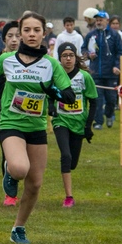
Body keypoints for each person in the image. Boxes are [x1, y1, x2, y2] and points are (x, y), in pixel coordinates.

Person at [0, 12, 75, 244]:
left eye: (36, 30)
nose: (31, 34)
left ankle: (18, 228)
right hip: (10, 121)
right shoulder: (7, 59)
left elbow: (69, 96)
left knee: (34, 184)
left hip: (36, 126)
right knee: (20, 168)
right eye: (27, 30)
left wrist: (52, 92)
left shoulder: (51, 64)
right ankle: (10, 170)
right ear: (20, 33)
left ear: (44, 33)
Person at [51, 43, 95, 208]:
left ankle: (67, 170)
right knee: (66, 156)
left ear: (75, 58)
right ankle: (69, 197)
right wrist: (51, 107)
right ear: (60, 58)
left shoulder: (85, 77)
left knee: (72, 164)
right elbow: (49, 94)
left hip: (78, 123)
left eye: (71, 55)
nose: (68, 59)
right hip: (61, 121)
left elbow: (94, 101)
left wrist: (88, 126)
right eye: (64, 56)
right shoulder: (56, 76)